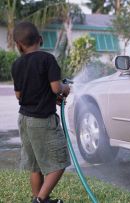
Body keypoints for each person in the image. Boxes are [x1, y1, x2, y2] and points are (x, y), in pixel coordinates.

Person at [11, 21, 71, 203]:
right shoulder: (48, 59)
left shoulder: (17, 64)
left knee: (35, 165)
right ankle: (41, 200)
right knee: (59, 163)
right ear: (41, 39)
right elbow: (55, 88)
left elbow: (20, 95)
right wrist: (65, 89)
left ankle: (38, 198)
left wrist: (51, 98)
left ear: (18, 45)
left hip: (24, 119)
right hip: (43, 122)